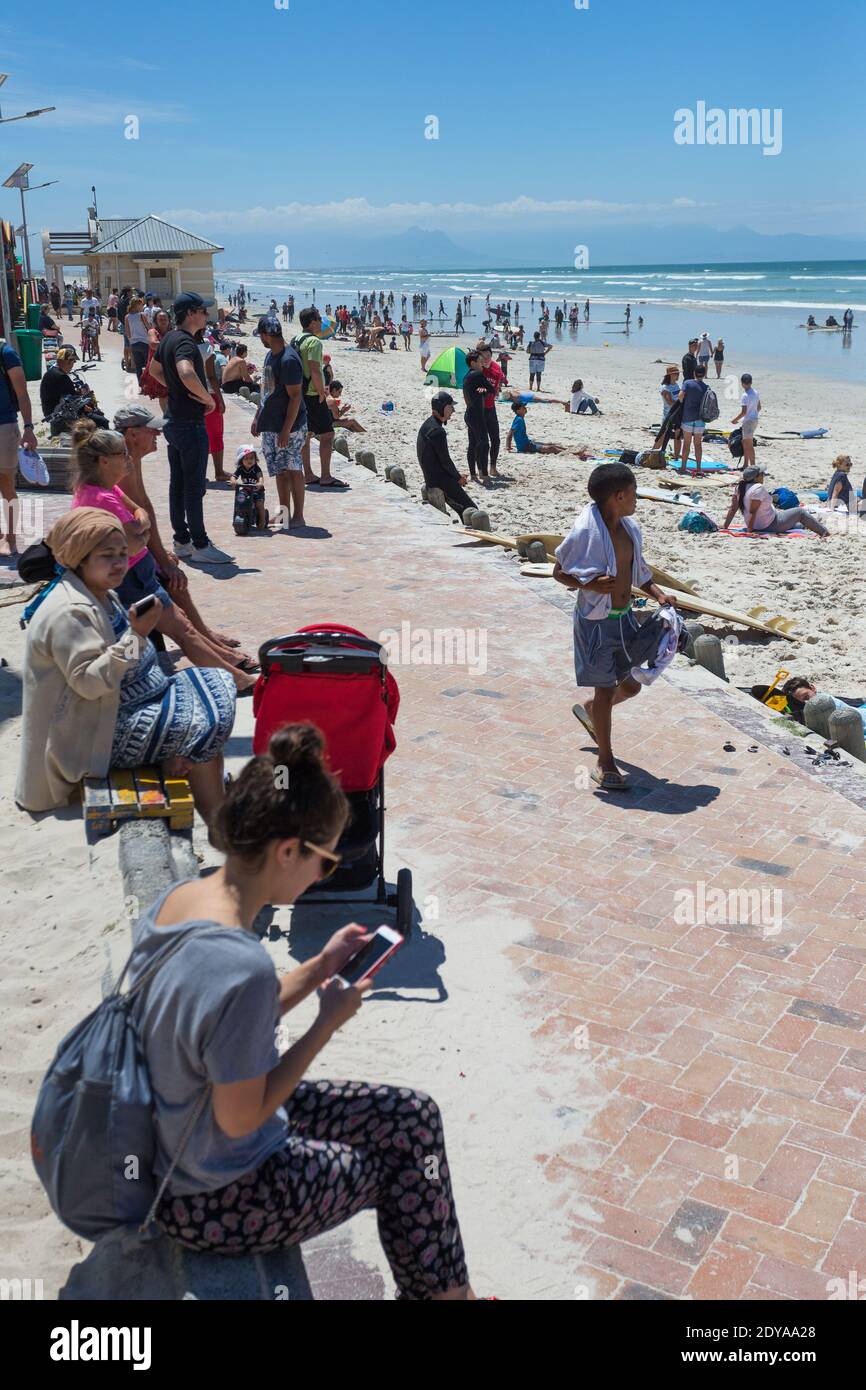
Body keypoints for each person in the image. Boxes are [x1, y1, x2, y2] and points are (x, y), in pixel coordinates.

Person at [123, 723, 475, 1299]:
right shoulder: (237, 965)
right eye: (326, 863)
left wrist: (316, 970)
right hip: (213, 1197)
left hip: (182, 1141)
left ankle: (446, 1297)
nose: (321, 877)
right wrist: (325, 1025)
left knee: (413, 1115)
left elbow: (219, 1024)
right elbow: (244, 1117)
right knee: (403, 1171)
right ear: (288, 851)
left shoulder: (182, 900)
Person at [15, 508, 236, 822]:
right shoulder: (71, 611)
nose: (119, 563)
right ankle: (217, 818)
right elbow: (90, 683)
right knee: (207, 718)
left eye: (122, 553)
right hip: (95, 731)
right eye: (107, 555)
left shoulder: (96, 590)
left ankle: (202, 784)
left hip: (125, 704)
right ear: (80, 557)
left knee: (215, 682)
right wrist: (137, 634)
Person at [70, 421, 257, 691]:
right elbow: (133, 541)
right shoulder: (100, 498)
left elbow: (140, 516)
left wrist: (140, 529)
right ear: (103, 462)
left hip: (139, 576)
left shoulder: (106, 488)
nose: (126, 460)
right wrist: (141, 530)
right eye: (121, 455)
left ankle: (232, 670)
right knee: (185, 633)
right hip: (131, 581)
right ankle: (239, 680)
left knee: (184, 628)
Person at [553, 463, 679, 791]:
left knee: (632, 685)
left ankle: (593, 711)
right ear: (619, 496)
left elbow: (640, 573)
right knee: (607, 687)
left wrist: (659, 594)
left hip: (624, 618)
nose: (637, 500)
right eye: (634, 494)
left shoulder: (629, 530)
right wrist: (592, 586)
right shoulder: (586, 532)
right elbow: (559, 572)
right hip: (596, 623)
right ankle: (604, 762)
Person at [113, 404, 252, 668]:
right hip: (124, 557)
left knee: (174, 576)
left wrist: (162, 554)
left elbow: (144, 507)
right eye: (151, 431)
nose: (158, 435)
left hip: (131, 548)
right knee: (174, 580)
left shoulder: (130, 458)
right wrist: (161, 561)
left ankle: (207, 637)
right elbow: (139, 516)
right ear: (132, 434)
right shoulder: (123, 464)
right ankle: (208, 645)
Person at [147, 291, 233, 565]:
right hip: (189, 423)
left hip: (173, 419)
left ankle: (181, 540)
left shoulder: (169, 338)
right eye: (202, 311)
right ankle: (200, 543)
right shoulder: (184, 341)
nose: (206, 315)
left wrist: (175, 389)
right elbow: (185, 371)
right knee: (194, 486)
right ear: (190, 314)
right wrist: (207, 397)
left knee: (178, 483)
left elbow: (154, 370)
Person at [252, 315, 308, 530]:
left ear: (266, 335)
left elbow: (295, 397)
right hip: (272, 423)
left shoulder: (289, 360)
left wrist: (286, 429)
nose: (261, 340)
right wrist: (258, 416)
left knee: (293, 468)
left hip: (290, 426)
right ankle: (284, 514)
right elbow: (266, 389)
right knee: (279, 470)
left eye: (261, 336)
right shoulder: (270, 356)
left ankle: (299, 516)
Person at [293, 307, 347, 488]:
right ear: (312, 322)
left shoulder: (296, 339)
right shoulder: (314, 342)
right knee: (327, 434)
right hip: (312, 394)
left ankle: (307, 473)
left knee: (306, 435)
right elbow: (315, 368)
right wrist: (322, 393)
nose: (320, 322)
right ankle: (325, 475)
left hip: (299, 393)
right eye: (318, 319)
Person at [0, 334, 39, 556]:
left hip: (3, 425)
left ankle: (11, 538)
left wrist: (29, 428)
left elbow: (22, 393)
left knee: (6, 485)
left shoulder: (5, 353)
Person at [722, 464, 830, 538]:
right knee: (800, 512)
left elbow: (733, 508)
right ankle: (825, 533)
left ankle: (814, 525)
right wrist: (750, 531)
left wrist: (725, 526)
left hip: (764, 522)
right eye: (762, 474)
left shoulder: (739, 488)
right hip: (769, 524)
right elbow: (752, 511)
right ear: (757, 477)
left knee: (799, 524)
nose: (763, 476)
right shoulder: (758, 488)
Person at [416, 392, 478, 520]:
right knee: (472, 511)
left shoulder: (428, 424)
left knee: (466, 510)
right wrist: (458, 478)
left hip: (432, 477)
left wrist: (456, 475)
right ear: (442, 408)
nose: (453, 411)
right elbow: (445, 461)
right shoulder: (438, 431)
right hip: (439, 481)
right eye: (450, 407)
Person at [198, 337, 228, 483]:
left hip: (188, 395)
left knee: (195, 436)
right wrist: (220, 399)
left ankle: (197, 473)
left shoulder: (177, 341)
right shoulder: (205, 346)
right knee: (215, 434)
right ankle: (219, 472)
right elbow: (211, 376)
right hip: (208, 394)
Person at [462, 350, 490, 485]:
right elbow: (492, 389)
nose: (482, 364)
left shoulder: (467, 376)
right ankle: (484, 474)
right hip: (477, 415)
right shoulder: (478, 374)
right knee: (484, 443)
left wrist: (483, 391)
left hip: (469, 414)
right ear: (473, 363)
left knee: (473, 444)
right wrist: (485, 390)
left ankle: (473, 474)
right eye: (480, 361)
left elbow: (477, 392)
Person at [477, 344, 504, 479]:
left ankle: (493, 467)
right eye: (484, 356)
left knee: (496, 440)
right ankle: (481, 470)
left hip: (491, 408)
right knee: (482, 442)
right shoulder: (477, 369)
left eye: (489, 356)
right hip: (479, 410)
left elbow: (497, 386)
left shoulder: (497, 369)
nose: (486, 358)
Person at [679, 364, 709, 475]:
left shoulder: (687, 383)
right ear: (704, 374)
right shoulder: (706, 387)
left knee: (686, 443)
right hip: (700, 420)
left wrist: (683, 403)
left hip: (687, 417)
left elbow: (680, 396)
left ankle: (683, 467)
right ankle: (698, 468)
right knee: (697, 444)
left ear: (694, 373)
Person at [232, 445, 268, 530]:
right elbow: (234, 476)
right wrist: (233, 481)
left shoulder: (256, 468)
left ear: (255, 459)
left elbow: (260, 477)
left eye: (251, 458)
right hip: (246, 490)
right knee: (240, 500)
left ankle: (262, 521)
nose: (249, 460)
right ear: (241, 461)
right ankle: (238, 515)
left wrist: (260, 483)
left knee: (259, 504)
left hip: (257, 491)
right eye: (246, 458)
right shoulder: (240, 469)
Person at [731, 372, 761, 469]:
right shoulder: (756, 392)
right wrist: (753, 412)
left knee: (749, 445)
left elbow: (744, 412)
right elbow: (759, 407)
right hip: (755, 420)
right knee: (745, 443)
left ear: (742, 383)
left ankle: (753, 466)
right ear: (751, 382)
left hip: (748, 421)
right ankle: (745, 464)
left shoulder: (745, 395)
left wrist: (735, 420)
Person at [659, 367, 682, 464]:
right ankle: (659, 455)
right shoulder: (664, 388)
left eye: (678, 374)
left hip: (678, 415)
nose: (677, 375)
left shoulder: (676, 385)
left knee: (678, 436)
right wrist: (681, 401)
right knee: (663, 437)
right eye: (676, 374)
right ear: (670, 375)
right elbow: (670, 402)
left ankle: (676, 458)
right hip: (668, 415)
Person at [125, 297, 150, 380]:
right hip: (144, 342)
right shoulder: (141, 315)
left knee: (138, 366)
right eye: (141, 304)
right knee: (148, 364)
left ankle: (140, 384)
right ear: (137, 305)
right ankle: (148, 383)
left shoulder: (127, 317)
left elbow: (127, 333)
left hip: (134, 344)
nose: (142, 306)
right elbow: (149, 328)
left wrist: (131, 342)